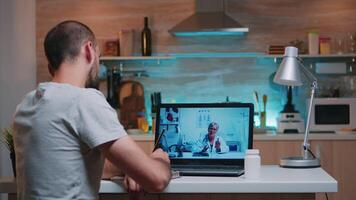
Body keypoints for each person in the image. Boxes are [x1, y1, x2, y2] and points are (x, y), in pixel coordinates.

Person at [12, 20, 171, 200]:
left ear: (51, 66)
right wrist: (160, 160)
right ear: (89, 50)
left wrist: (131, 167)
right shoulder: (84, 100)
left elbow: (69, 164)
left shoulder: (26, 105)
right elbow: (157, 179)